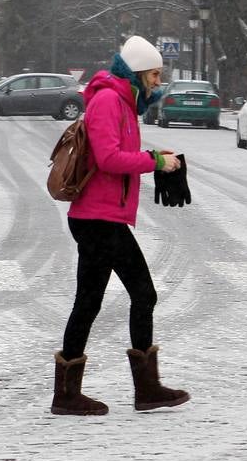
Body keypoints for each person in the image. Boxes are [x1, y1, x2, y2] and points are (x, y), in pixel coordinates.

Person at [51, 35, 192, 416]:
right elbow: (110, 158)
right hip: (98, 218)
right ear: (137, 72)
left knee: (89, 302)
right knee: (142, 294)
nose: (158, 82)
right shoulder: (109, 101)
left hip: (102, 217)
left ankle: (68, 394)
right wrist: (155, 163)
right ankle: (146, 390)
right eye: (155, 74)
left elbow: (120, 154)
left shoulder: (124, 104)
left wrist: (154, 154)